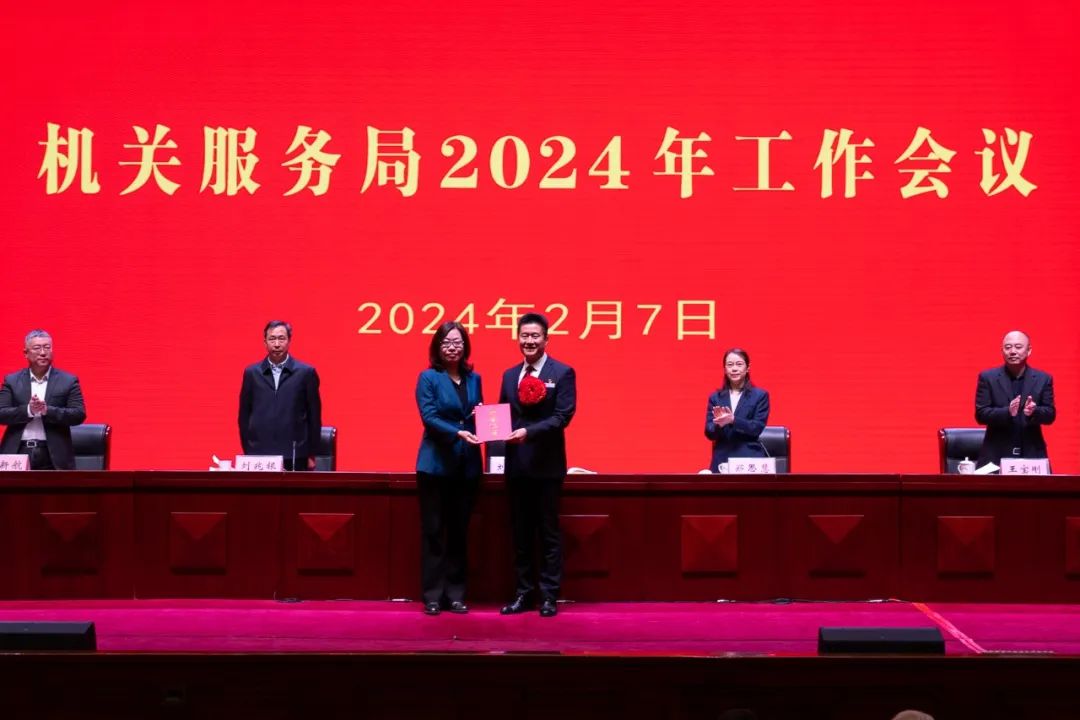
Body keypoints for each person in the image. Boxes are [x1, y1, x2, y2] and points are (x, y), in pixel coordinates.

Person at [498, 313, 577, 618]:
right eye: (524, 336)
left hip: (547, 467)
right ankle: (523, 594)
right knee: (520, 533)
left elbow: (562, 417)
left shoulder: (563, 372)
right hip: (516, 467)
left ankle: (549, 596)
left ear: (546, 339)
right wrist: (486, 423)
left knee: (548, 533)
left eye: (535, 336)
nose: (529, 341)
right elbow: (503, 415)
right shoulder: (509, 375)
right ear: (517, 338)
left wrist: (528, 433)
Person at [414, 321, 483, 615]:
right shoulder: (428, 377)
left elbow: (478, 414)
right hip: (435, 465)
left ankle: (455, 594)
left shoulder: (474, 378)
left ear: (465, 346)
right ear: (437, 347)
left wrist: (487, 422)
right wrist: (457, 432)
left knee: (458, 531)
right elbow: (429, 417)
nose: (452, 347)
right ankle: (432, 595)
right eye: (446, 342)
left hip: (467, 466)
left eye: (457, 342)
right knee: (433, 531)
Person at [238, 321, 322, 471]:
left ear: (289, 341)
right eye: (272, 339)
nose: (277, 344)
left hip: (295, 454)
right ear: (265, 342)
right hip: (259, 454)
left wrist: (311, 453)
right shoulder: (252, 373)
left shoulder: (306, 373)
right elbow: (244, 415)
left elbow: (314, 417)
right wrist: (248, 449)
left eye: (281, 338)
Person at [0, 329, 86, 470]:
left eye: (47, 347)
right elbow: (1, 413)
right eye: (37, 348)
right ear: (26, 353)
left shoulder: (68, 381)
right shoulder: (12, 380)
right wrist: (29, 410)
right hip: (18, 452)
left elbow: (78, 414)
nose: (43, 352)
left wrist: (48, 411)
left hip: (54, 455)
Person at [975, 330, 1055, 468]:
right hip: (996, 455)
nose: (1012, 351)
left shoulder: (1043, 379)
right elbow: (981, 414)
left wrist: (1034, 411)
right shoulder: (988, 378)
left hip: (1032, 453)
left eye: (1018, 347)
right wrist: (1007, 412)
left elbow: (1050, 414)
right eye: (1008, 347)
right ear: (1002, 351)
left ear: (1029, 350)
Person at [705, 348, 770, 472]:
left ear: (747, 368)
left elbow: (756, 428)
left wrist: (733, 420)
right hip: (722, 457)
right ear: (725, 369)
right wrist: (719, 424)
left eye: (739, 364)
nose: (734, 369)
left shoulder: (760, 396)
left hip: (749, 456)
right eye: (730, 365)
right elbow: (709, 433)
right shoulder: (715, 398)